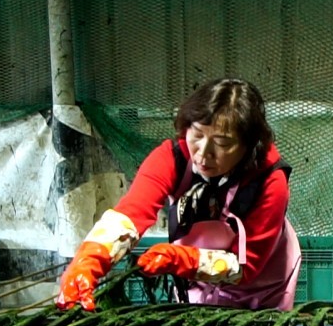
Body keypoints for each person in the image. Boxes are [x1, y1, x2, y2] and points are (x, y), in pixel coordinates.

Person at [57, 78, 301, 311]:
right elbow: (131, 214)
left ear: (249, 145)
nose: (203, 154)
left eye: (223, 144)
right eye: (196, 134)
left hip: (261, 290)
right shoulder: (171, 157)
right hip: (199, 282)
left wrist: (181, 259)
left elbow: (247, 265)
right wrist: (89, 261)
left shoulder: (270, 180)